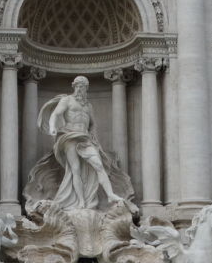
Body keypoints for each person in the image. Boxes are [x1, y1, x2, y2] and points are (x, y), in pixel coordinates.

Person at [25, 76, 132, 210]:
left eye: (82, 86)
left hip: (85, 139)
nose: (79, 89)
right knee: (75, 170)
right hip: (70, 136)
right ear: (74, 87)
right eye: (77, 86)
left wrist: (95, 139)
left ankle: (110, 194)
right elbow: (55, 114)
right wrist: (52, 127)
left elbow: (92, 124)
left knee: (99, 165)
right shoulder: (67, 100)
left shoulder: (88, 106)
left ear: (86, 88)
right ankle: (81, 202)